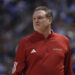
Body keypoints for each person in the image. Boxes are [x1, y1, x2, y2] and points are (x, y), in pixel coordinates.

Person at [12, 6, 73, 75]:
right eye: (34, 19)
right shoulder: (24, 42)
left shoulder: (64, 41)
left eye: (39, 18)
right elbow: (16, 72)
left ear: (49, 20)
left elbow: (68, 71)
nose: (36, 21)